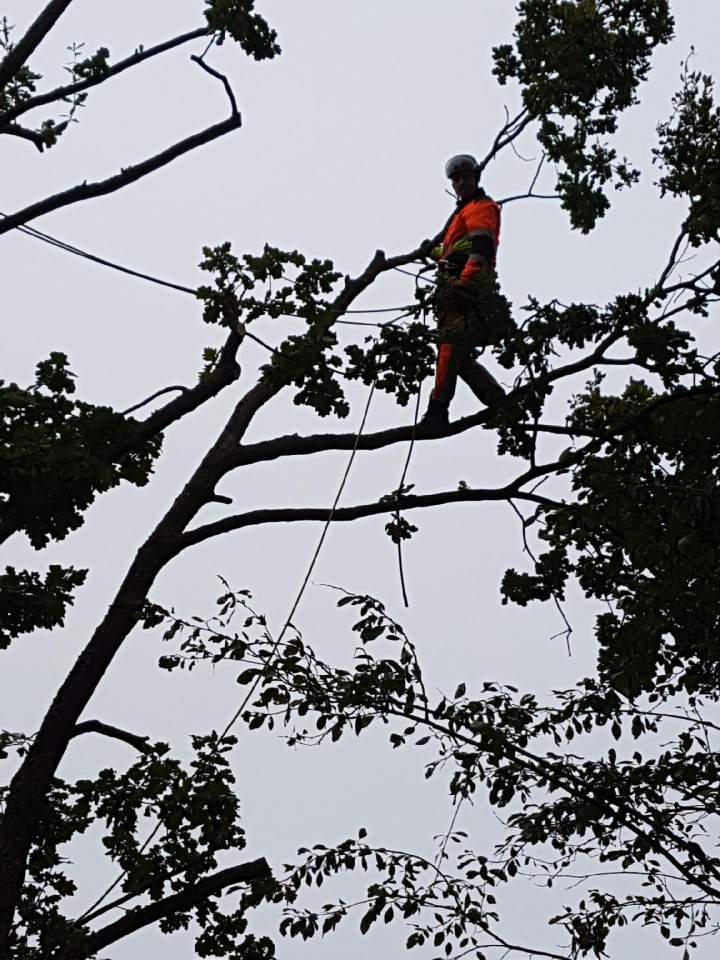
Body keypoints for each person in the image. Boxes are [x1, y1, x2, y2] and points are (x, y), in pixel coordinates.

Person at [421, 154, 505, 426]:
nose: (460, 183)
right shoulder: (463, 213)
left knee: (449, 347)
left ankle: (437, 411)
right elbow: (454, 250)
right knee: (460, 357)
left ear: (475, 177)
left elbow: (481, 248)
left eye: (464, 177)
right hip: (455, 282)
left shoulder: (481, 207)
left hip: (466, 286)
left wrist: (465, 282)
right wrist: (432, 252)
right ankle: (498, 400)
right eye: (455, 179)